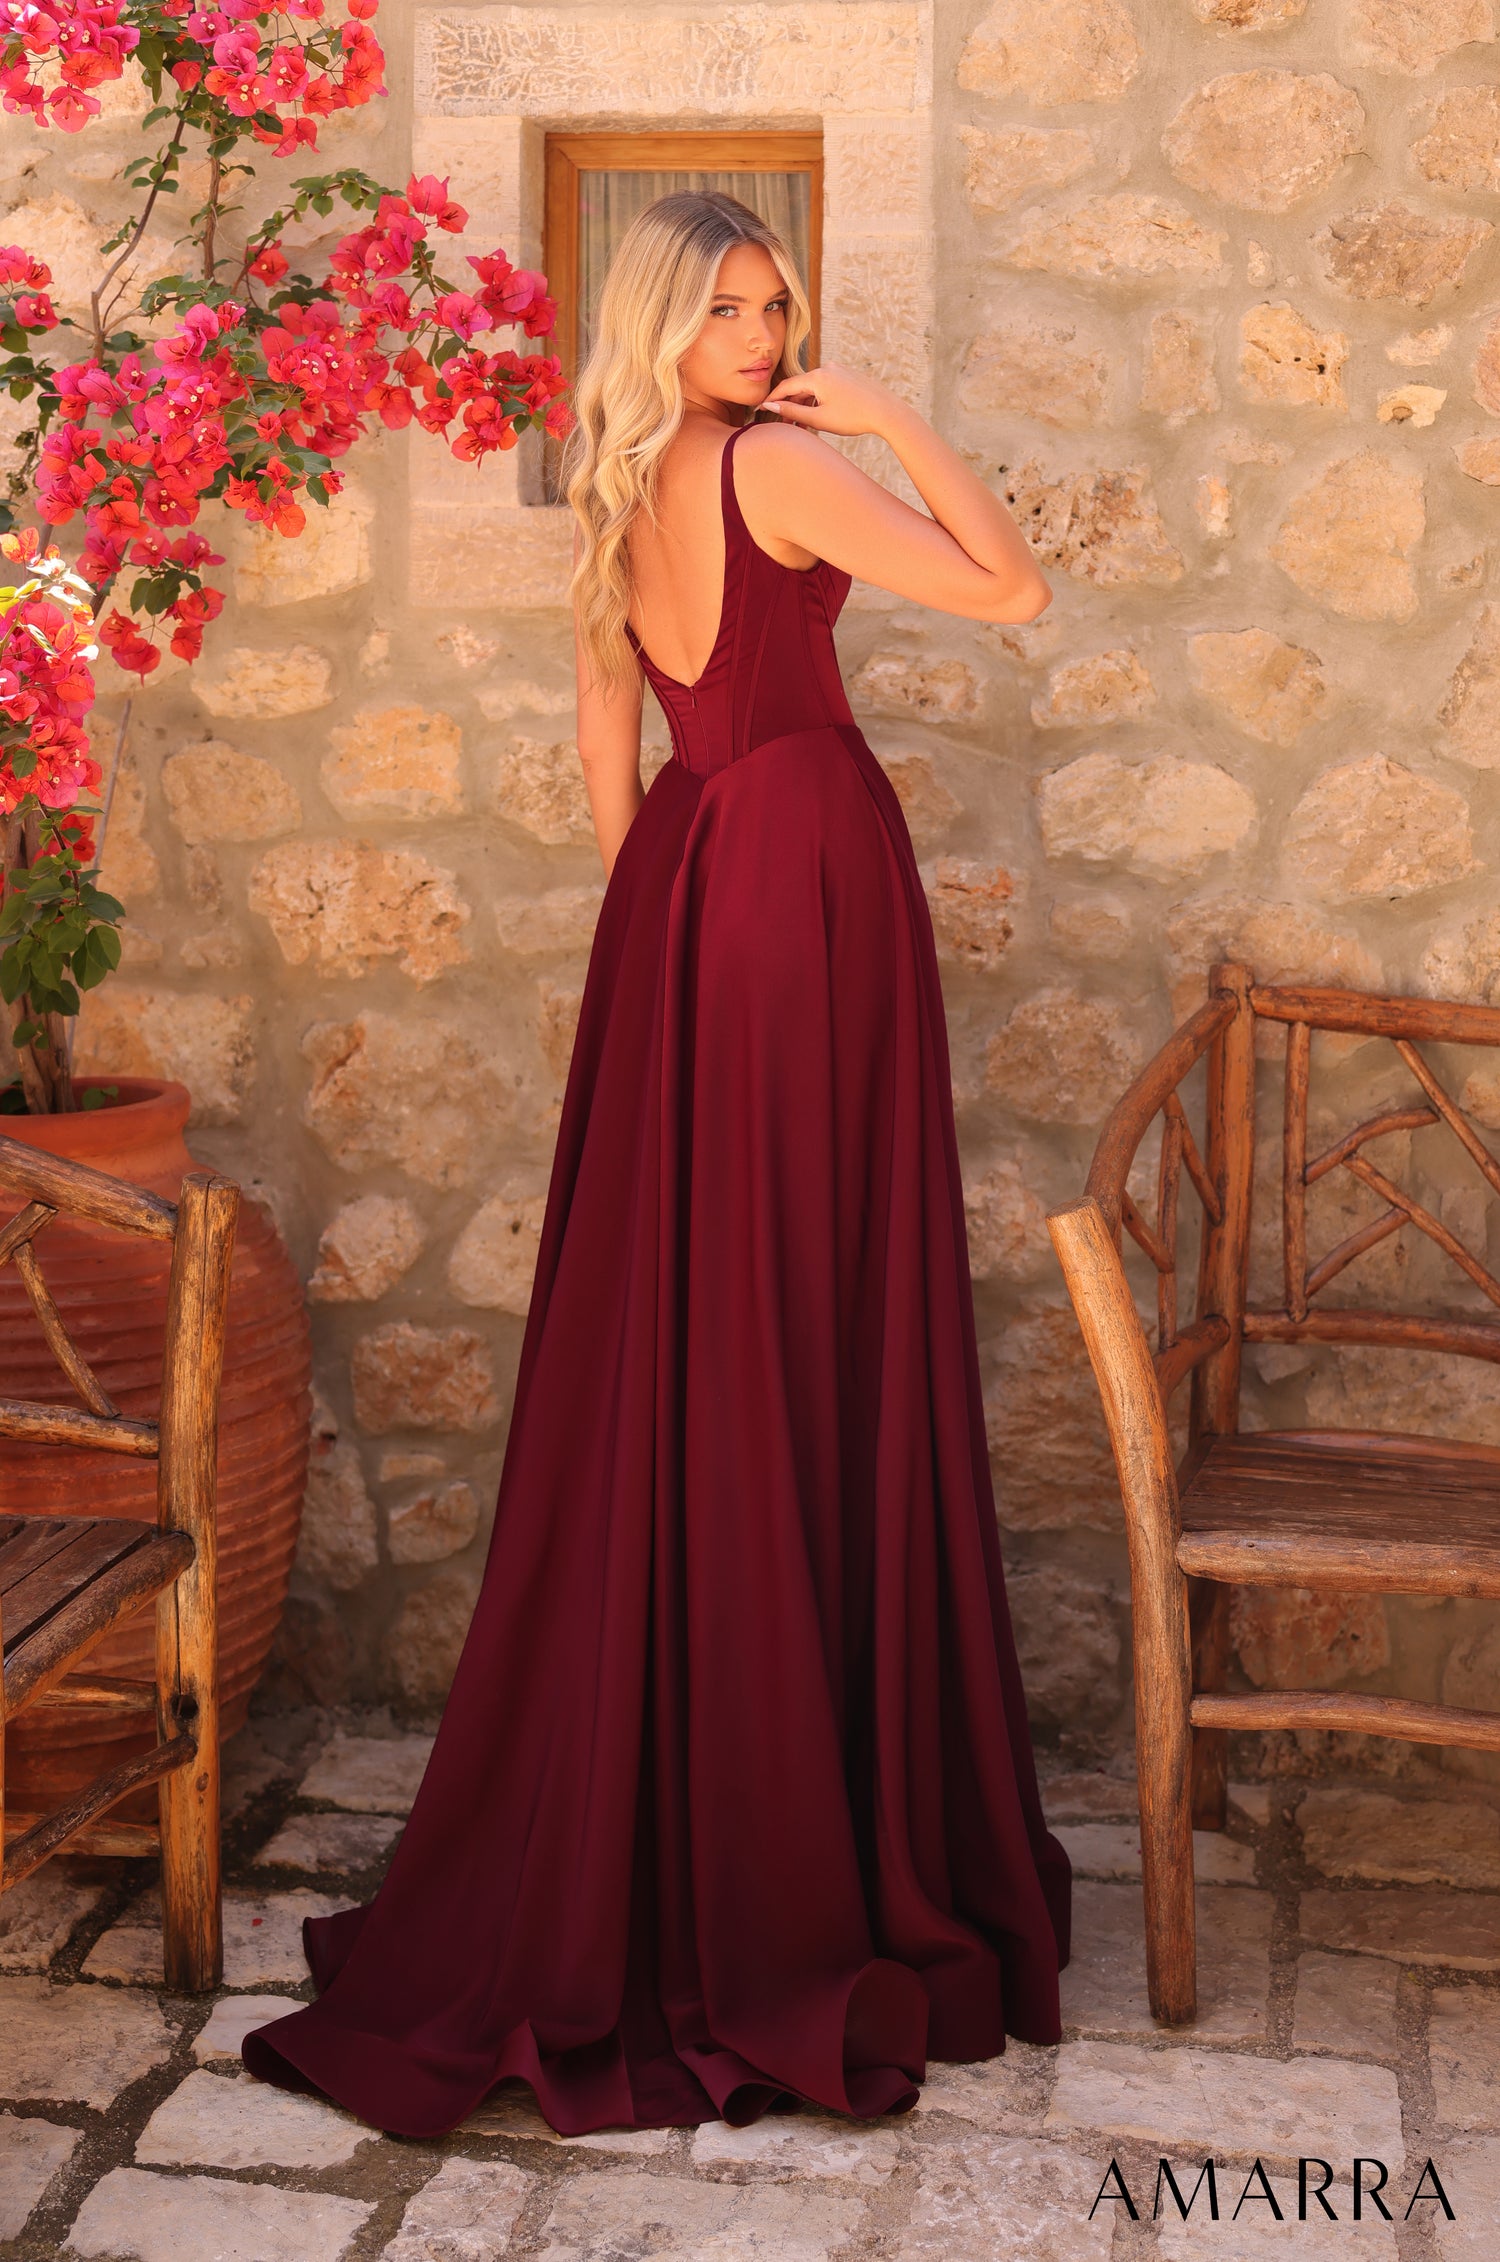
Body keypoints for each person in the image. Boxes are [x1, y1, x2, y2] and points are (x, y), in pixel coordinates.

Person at [243, 189, 1070, 2140]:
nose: (770, 332)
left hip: (693, 898)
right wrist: (895, 427)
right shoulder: (784, 469)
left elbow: (615, 779)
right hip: (806, 883)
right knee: (813, 1319)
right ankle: (804, 1843)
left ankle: (694, 1788)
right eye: (732, 308)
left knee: (702, 1331)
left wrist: (693, 943)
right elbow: (1013, 591)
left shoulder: (622, 496)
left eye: (783, 304)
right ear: (664, 323)